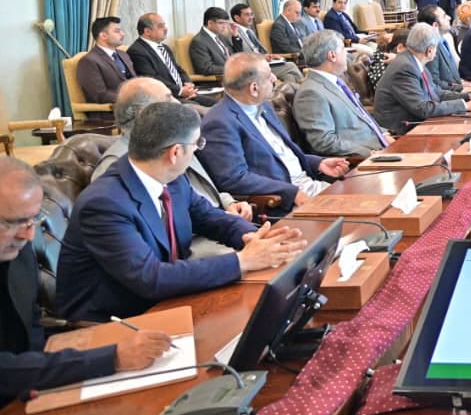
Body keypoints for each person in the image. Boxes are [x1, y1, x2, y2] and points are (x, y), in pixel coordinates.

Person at [56, 102, 307, 322]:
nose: (198, 149)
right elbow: (150, 278)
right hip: (116, 321)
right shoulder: (105, 204)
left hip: (170, 298)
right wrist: (243, 261)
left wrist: (251, 237)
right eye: (197, 144)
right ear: (175, 152)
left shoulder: (171, 179)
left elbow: (210, 217)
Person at [0, 156, 172, 405]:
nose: (28, 235)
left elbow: (30, 328)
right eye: (12, 223)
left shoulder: (18, 252)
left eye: (33, 219)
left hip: (29, 391)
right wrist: (112, 358)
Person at [90, 78, 253, 260]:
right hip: (184, 248)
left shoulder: (172, 143)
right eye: (168, 98)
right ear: (146, 113)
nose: (178, 102)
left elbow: (199, 203)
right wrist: (240, 261)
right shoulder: (115, 169)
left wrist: (252, 233)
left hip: (209, 231)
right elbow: (145, 257)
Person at [199, 53, 350, 214]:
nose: (274, 78)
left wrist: (318, 163)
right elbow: (235, 178)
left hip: (310, 186)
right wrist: (291, 193)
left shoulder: (264, 107)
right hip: (286, 203)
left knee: (366, 197)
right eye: (268, 75)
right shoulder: (220, 123)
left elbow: (281, 156)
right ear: (254, 88)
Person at [373, 24, 471, 135]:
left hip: (420, 123)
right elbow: (423, 109)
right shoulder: (405, 68)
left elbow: (436, 92)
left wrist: (470, 97)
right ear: (430, 50)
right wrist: (466, 106)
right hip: (401, 131)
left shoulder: (414, 61)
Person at [292, 31, 390, 158]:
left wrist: (385, 135)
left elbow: (363, 119)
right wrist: (369, 154)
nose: (347, 54)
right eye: (343, 49)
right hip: (364, 158)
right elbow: (324, 141)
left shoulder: (336, 81)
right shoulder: (310, 93)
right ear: (332, 55)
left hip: (382, 146)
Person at [127, 13, 203, 104]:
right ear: (147, 31)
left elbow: (178, 69)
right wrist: (180, 91)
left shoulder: (164, 47)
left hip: (184, 94)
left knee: (213, 103)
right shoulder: (137, 51)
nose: (165, 29)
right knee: (198, 108)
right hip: (165, 98)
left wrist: (188, 84)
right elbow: (152, 79)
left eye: (164, 25)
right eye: (160, 26)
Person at [229, 3, 303, 84]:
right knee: (291, 65)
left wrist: (270, 56)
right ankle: (305, 88)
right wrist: (262, 57)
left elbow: (259, 49)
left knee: (289, 76)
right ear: (237, 18)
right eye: (247, 15)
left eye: (251, 14)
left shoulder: (249, 31)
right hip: (253, 67)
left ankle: (290, 92)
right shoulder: (234, 33)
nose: (251, 17)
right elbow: (241, 54)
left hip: (265, 62)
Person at [76, 15, 135, 105]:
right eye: (117, 31)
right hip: (113, 109)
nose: (123, 34)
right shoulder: (88, 61)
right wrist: (131, 98)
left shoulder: (124, 54)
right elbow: (100, 95)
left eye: (121, 30)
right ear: (103, 36)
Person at [417, 7, 463, 90]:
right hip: (447, 95)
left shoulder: (444, 40)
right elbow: (434, 82)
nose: (449, 18)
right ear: (435, 25)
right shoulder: (431, 47)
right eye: (444, 16)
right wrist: (460, 88)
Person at [188, 7, 236, 77]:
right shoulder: (199, 42)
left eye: (226, 23)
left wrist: (235, 37)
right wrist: (233, 68)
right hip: (219, 79)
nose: (225, 27)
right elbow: (206, 68)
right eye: (221, 23)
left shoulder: (221, 36)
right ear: (210, 23)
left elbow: (235, 54)